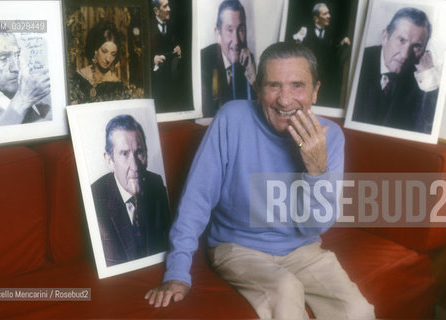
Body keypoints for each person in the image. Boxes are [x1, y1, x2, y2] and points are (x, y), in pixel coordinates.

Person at [145, 42, 375, 319]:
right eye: (273, 85)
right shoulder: (232, 118)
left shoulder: (331, 136)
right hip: (237, 247)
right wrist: (178, 272)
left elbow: (315, 225)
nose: (285, 99)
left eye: (298, 86)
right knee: (286, 290)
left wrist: (316, 169)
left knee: (357, 311)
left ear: (315, 91)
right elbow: (196, 199)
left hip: (303, 248)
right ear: (257, 90)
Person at [91, 114, 171, 267]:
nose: (135, 167)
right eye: (124, 154)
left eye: (139, 152)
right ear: (109, 160)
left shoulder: (157, 186)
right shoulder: (94, 198)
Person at [352, 7, 439, 133]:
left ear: (424, 50)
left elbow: (425, 130)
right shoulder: (357, 62)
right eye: (401, 40)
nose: (405, 55)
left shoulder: (423, 80)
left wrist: (429, 79)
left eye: (417, 47)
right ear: (385, 37)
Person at [0, 32, 51, 129]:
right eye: (3, 58)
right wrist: (23, 100)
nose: (16, 68)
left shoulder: (39, 93)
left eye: (17, 55)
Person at [201, 0, 257, 117]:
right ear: (218, 33)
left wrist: (253, 78)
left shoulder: (248, 63)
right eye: (230, 30)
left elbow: (259, 113)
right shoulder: (203, 61)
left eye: (241, 30)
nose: (236, 41)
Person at [292, 2, 350, 106]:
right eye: (325, 14)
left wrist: (343, 43)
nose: (329, 16)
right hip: (308, 75)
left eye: (329, 13)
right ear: (316, 18)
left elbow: (333, 51)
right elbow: (295, 47)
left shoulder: (331, 32)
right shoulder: (305, 30)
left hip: (326, 78)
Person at [71, 21, 126, 104]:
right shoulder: (79, 78)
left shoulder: (118, 87)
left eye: (113, 54)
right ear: (95, 50)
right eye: (104, 51)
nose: (108, 59)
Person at [150, 0, 182, 112]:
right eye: (165, 6)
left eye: (168, 5)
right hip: (154, 87)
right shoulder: (147, 27)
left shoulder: (173, 25)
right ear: (156, 11)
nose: (169, 9)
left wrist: (179, 51)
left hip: (171, 87)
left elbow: (178, 47)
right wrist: (152, 60)